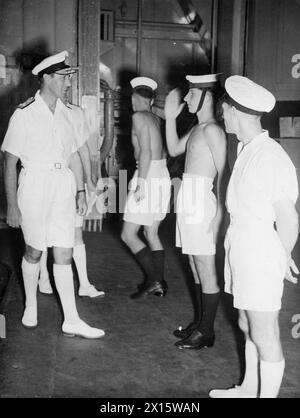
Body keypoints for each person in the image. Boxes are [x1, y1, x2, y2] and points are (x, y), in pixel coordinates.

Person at [1, 51, 105, 339]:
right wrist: (12, 205)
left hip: (63, 184)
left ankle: (71, 319)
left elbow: (72, 154)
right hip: (34, 183)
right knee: (34, 250)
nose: (67, 83)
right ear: (46, 78)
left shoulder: (67, 114)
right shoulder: (23, 114)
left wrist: (82, 189)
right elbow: (9, 161)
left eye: (69, 78)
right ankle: (30, 304)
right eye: (62, 77)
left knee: (64, 250)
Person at [209, 76, 299, 398]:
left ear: (236, 111)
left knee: (265, 332)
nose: (222, 112)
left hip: (259, 250)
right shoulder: (247, 149)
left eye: (225, 108)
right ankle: (248, 390)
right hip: (242, 245)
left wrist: (280, 256)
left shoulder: (269, 156)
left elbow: (289, 218)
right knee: (247, 324)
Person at [164, 74, 227, 350]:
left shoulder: (213, 129)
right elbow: (174, 148)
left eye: (191, 94)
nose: (187, 99)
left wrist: (220, 212)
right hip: (188, 199)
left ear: (207, 97)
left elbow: (224, 171)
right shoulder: (198, 128)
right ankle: (201, 323)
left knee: (205, 266)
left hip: (202, 201)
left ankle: (207, 332)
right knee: (193, 263)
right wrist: (168, 118)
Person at [38, 96, 105, 299]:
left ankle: (84, 284)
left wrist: (88, 180)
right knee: (42, 234)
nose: (65, 84)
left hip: (72, 181)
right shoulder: (38, 112)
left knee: (76, 233)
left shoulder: (74, 112)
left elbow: (82, 148)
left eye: (66, 78)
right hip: (46, 182)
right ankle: (43, 277)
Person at [121, 77, 171, 299]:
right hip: (162, 174)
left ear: (135, 97)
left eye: (132, 97)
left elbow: (146, 151)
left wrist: (140, 184)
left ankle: (154, 280)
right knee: (151, 232)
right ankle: (159, 284)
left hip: (147, 175)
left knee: (128, 234)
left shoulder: (138, 116)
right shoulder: (154, 117)